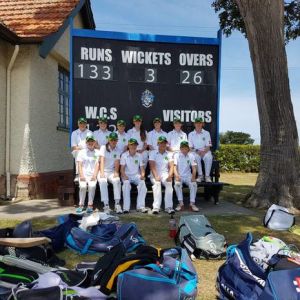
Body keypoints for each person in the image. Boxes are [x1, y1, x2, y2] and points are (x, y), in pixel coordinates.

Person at [120, 138, 148, 214]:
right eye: (131, 144)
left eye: (135, 145)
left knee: (142, 183)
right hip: (126, 175)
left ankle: (140, 206)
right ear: (128, 145)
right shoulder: (124, 155)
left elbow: (142, 168)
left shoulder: (139, 155)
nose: (133, 146)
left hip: (136, 175)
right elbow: (122, 169)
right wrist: (124, 176)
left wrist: (142, 175)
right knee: (126, 184)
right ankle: (126, 208)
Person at [98, 132, 123, 214]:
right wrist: (101, 173)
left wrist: (116, 172)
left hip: (112, 171)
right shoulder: (103, 148)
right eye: (112, 140)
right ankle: (106, 205)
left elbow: (117, 162)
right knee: (103, 182)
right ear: (109, 140)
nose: (113, 141)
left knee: (117, 180)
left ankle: (117, 204)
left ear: (117, 140)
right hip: (103, 170)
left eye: (115, 140)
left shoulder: (118, 149)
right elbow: (101, 160)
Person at [149, 136, 175, 215]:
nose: (162, 144)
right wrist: (156, 176)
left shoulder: (169, 154)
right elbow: (152, 166)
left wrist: (170, 176)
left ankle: (168, 207)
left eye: (164, 143)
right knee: (157, 184)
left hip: (165, 174)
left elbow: (171, 166)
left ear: (166, 144)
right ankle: (156, 207)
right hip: (154, 173)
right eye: (161, 143)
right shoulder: (153, 152)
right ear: (158, 143)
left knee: (169, 183)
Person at [76, 136, 100, 214]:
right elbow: (79, 165)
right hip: (83, 174)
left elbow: (97, 165)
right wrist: (81, 175)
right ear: (86, 143)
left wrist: (94, 175)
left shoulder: (97, 152)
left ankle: (90, 205)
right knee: (83, 186)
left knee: (92, 186)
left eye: (92, 141)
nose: (90, 143)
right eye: (89, 142)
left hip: (92, 175)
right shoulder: (81, 152)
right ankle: (81, 205)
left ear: (94, 143)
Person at [174, 141, 199, 212]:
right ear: (180, 149)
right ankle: (181, 203)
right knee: (177, 184)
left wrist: (193, 177)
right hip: (179, 175)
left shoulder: (191, 155)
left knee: (194, 184)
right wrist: (176, 176)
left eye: (186, 148)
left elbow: (194, 168)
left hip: (188, 176)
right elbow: (174, 167)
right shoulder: (176, 155)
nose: (184, 150)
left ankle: (192, 204)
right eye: (182, 148)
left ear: (188, 149)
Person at [188, 118, 213, 182]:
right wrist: (197, 151)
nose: (198, 124)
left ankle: (207, 176)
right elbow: (190, 147)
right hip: (195, 151)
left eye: (200, 123)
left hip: (205, 151)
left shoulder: (206, 133)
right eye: (197, 123)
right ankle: (200, 176)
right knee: (195, 157)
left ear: (202, 124)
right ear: (194, 124)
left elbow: (208, 146)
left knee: (209, 157)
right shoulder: (191, 134)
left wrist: (204, 152)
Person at [71, 117, 92, 182]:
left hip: (88, 149)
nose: (82, 125)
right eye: (81, 123)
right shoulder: (74, 133)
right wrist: (81, 148)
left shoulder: (90, 132)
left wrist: (85, 148)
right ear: (78, 124)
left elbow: (91, 144)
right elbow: (73, 147)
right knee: (78, 152)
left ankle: (90, 173)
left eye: (84, 123)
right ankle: (78, 174)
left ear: (86, 124)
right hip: (78, 151)